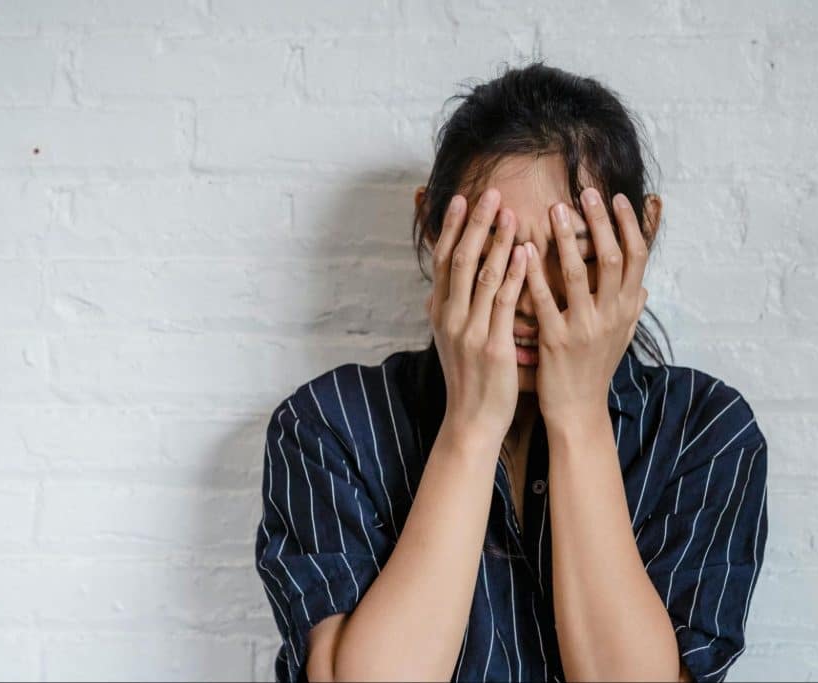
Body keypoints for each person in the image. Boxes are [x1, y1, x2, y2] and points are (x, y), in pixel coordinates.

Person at [254, 61, 768, 683]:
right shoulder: (328, 428)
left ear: (642, 234)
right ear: (432, 228)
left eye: (575, 255)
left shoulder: (705, 435)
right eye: (493, 250)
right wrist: (471, 426)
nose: (530, 298)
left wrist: (579, 418)